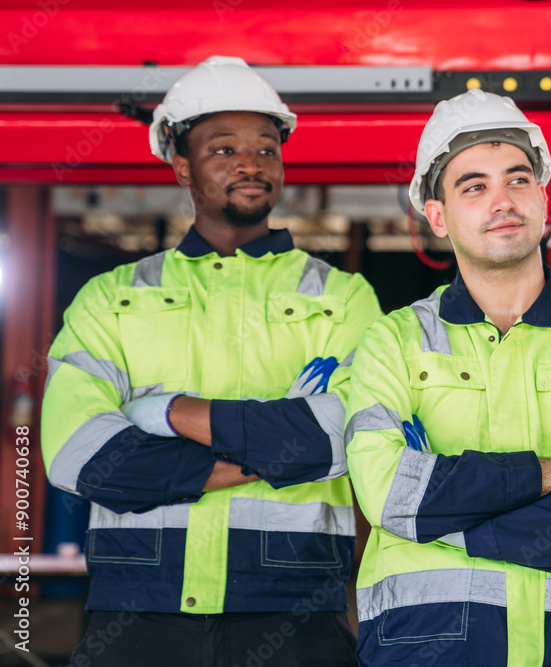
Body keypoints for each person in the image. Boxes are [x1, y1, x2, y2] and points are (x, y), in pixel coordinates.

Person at [41, 56, 381, 667]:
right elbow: (78, 454)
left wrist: (169, 412)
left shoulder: (340, 297)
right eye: (223, 149)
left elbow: (350, 436)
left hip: (295, 613)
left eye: (266, 148)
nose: (250, 163)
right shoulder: (114, 299)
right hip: (139, 617)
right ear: (181, 165)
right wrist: (271, 447)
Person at [344, 89, 551, 666]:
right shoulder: (391, 343)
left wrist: (444, 516)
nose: (502, 201)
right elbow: (390, 494)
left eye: (517, 179)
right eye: (474, 186)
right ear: (437, 216)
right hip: (422, 649)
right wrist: (546, 473)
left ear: (542, 196)